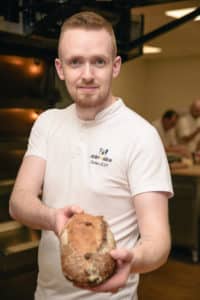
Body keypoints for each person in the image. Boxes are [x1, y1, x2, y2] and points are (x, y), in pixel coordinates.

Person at [9, 11, 173, 300]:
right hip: (44, 295)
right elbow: (19, 202)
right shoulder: (47, 123)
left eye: (99, 61)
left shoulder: (141, 135)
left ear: (115, 66)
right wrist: (53, 218)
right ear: (60, 68)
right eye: (75, 62)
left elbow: (157, 241)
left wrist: (130, 260)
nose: (87, 74)